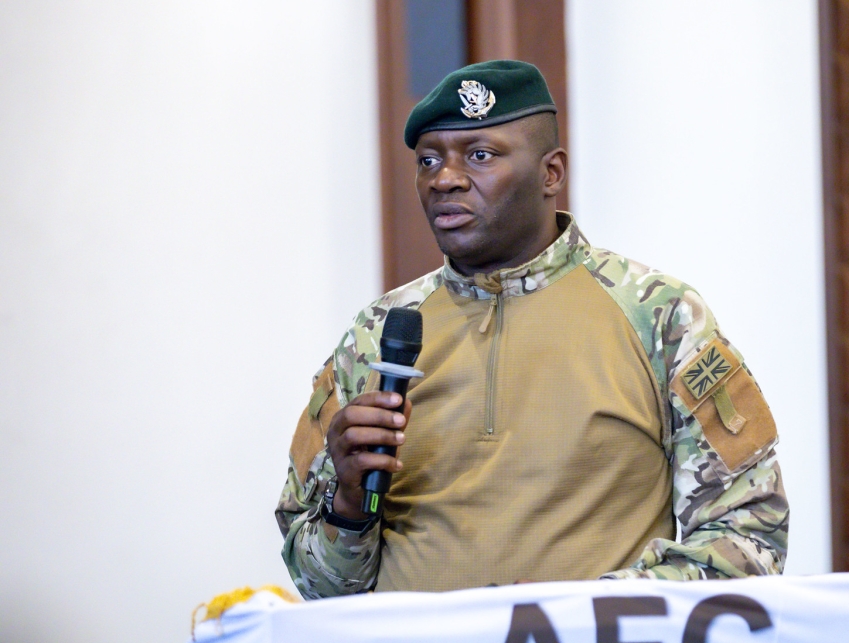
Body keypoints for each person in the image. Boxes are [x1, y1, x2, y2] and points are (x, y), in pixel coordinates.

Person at [276, 60, 788, 598]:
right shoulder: (377, 335)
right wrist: (350, 509)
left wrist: (577, 609)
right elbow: (319, 588)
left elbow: (748, 540)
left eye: (480, 155)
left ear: (551, 174)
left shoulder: (660, 315)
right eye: (429, 160)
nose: (444, 178)